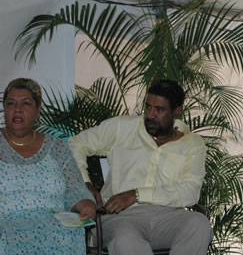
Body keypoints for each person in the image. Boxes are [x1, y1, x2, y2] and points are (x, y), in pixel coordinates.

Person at [67, 79, 212, 255]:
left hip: (167, 218)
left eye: (159, 109)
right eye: (148, 107)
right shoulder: (123, 127)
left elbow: (190, 193)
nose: (150, 115)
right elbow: (75, 144)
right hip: (119, 218)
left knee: (199, 224)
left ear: (177, 112)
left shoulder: (193, 144)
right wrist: (85, 183)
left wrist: (136, 195)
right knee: (126, 239)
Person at [0, 78, 97, 254]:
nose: (17, 109)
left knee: (69, 233)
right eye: (11, 103)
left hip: (54, 222)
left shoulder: (57, 147)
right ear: (4, 109)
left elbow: (75, 188)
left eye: (26, 104)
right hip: (6, 223)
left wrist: (85, 203)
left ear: (38, 111)